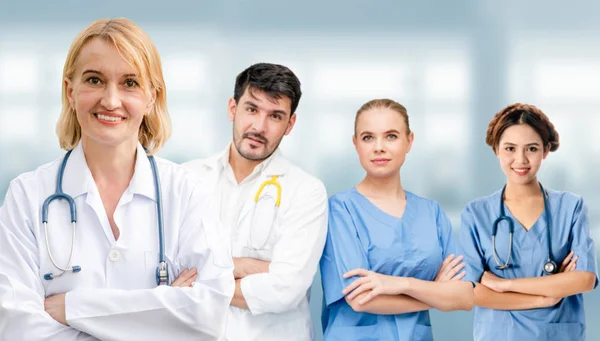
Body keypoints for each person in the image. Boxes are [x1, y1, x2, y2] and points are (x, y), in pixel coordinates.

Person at [0, 18, 234, 341]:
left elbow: (208, 316)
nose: (110, 101)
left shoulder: (186, 192)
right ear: (70, 91)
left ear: (151, 97)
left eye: (130, 83)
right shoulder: (26, 197)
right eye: (94, 80)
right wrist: (161, 314)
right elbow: (17, 329)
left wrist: (72, 308)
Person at [183, 63, 328, 341]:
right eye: (251, 109)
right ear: (232, 108)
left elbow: (286, 288)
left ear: (290, 124)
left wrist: (201, 278)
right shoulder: (187, 179)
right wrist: (251, 266)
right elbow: (166, 269)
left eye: (275, 116)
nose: (259, 127)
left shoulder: (307, 191)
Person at [320, 99, 474, 341]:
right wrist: (435, 292)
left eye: (391, 136)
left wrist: (401, 285)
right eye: (368, 137)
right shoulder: (341, 210)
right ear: (355, 144)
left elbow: (464, 297)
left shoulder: (431, 212)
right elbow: (360, 299)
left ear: (409, 141)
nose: (379, 147)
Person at [459, 103, 598, 341]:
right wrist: (546, 296)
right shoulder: (476, 214)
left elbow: (585, 279)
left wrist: (504, 285)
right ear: (496, 150)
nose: (520, 160)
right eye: (510, 148)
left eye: (531, 148)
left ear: (545, 150)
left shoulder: (570, 207)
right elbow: (471, 291)